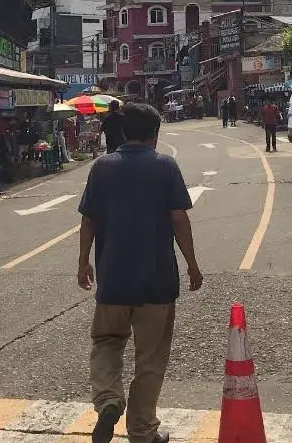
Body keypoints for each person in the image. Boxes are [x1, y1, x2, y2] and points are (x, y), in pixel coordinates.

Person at [77, 103, 203, 443]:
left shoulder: (102, 167)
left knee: (106, 342)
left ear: (123, 132)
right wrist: (191, 264)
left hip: (113, 280)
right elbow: (179, 219)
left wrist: (82, 262)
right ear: (155, 135)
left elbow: (88, 219)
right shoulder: (165, 166)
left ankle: (108, 400)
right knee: (150, 359)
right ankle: (142, 431)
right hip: (157, 282)